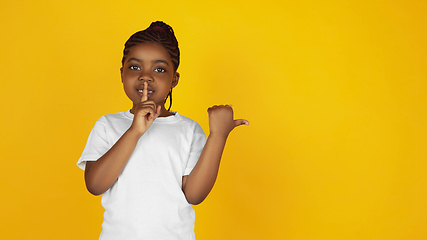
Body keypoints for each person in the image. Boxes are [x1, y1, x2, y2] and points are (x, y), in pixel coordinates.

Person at [77, 21, 249, 239]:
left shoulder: (188, 130)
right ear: (122, 74)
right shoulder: (107, 125)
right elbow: (95, 185)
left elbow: (194, 195)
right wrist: (134, 131)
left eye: (159, 69)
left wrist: (218, 135)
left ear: (174, 79)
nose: (146, 76)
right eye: (135, 67)